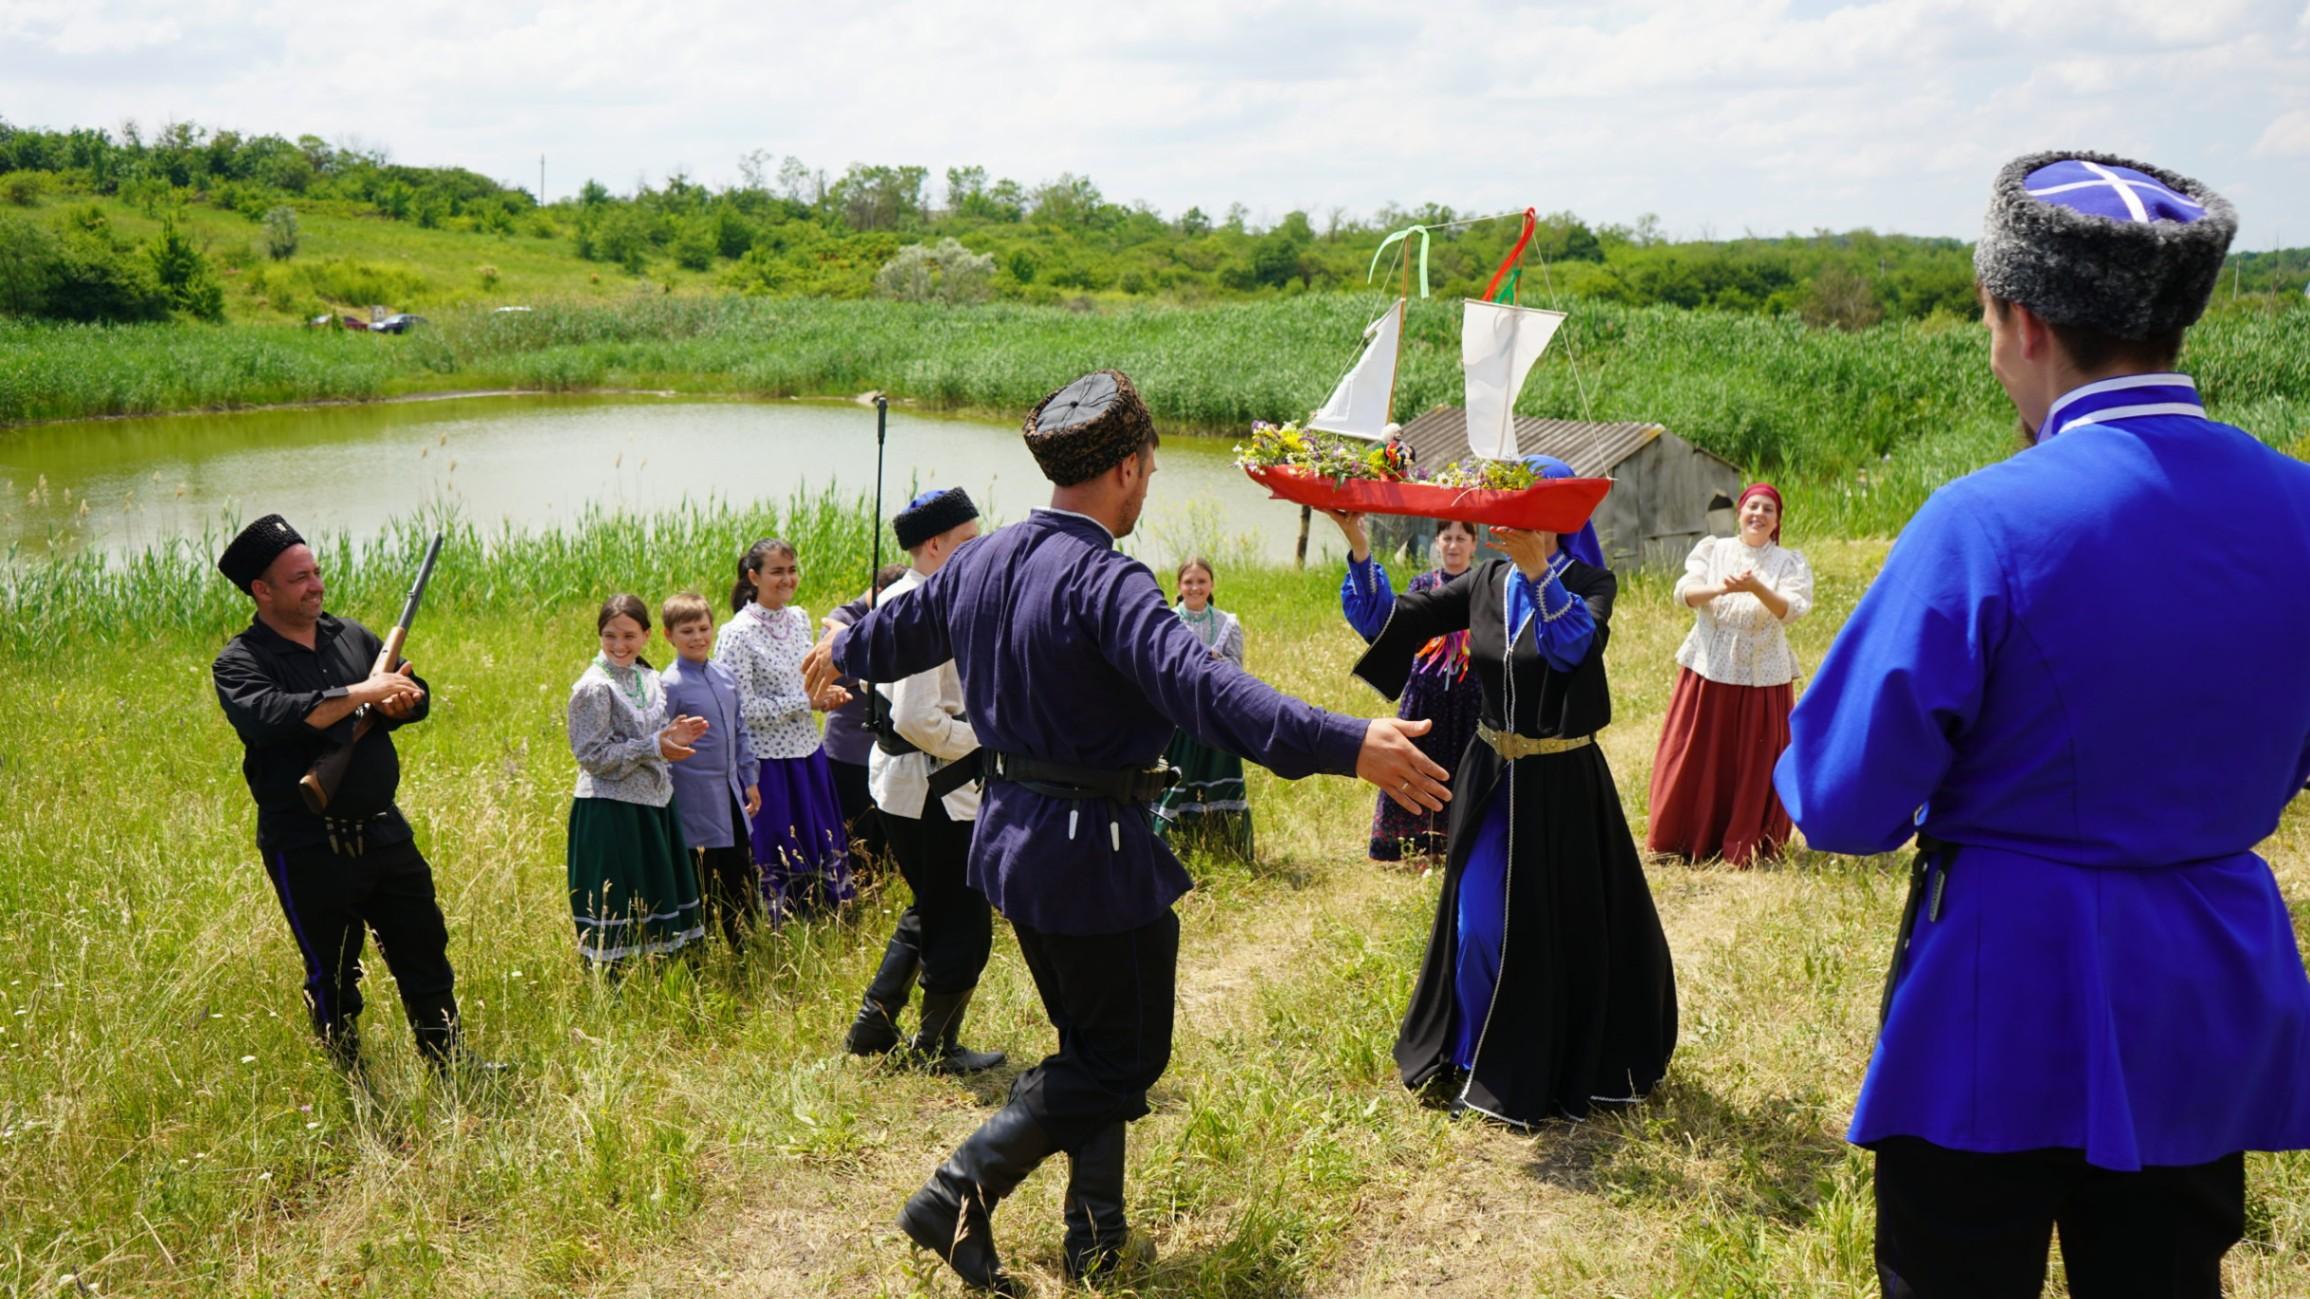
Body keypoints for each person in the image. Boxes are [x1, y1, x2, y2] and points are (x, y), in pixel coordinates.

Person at [1773, 152, 2310, 1298]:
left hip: (2002, 996)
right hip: (2206, 987)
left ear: (2020, 321)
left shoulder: (1985, 519)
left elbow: (1840, 803)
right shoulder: (2300, 506)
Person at [802, 369, 1451, 1293]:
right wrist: (1353, 742)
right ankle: (956, 1193)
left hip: (1012, 843)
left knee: (1086, 1045)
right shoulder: (1107, 580)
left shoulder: (983, 559)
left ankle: (1096, 1236)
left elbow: (897, 628)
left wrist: (841, 645)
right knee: (1123, 1056)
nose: (1149, 485)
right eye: (1147, 468)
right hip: (1086, 852)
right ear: (1120, 471)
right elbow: (1211, 694)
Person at [1352, 461, 1678, 1127]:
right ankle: (1478, 1060)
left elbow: (1572, 649)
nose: (1504, 517)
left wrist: (1539, 571)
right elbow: (1394, 619)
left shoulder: (1591, 582)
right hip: (1490, 776)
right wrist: (1359, 546)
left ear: (1556, 514)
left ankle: (1556, 1061)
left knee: (1562, 931)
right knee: (1478, 928)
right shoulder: (1486, 579)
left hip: (1563, 783)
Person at [210, 515, 487, 1075]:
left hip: (383, 827)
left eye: (315, 571)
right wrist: (364, 690)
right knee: (333, 970)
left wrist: (403, 700)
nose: (315, 584)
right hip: (307, 840)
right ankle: (349, 1072)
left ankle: (449, 1062)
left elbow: (414, 689)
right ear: (262, 590)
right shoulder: (239, 662)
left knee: (423, 947)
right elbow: (273, 717)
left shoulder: (352, 635)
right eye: (298, 578)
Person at [845, 487, 1005, 1073]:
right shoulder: (921, 605)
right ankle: (938, 1047)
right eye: (968, 541)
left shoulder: (901, 595)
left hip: (912, 786)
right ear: (934, 545)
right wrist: (985, 739)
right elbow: (915, 717)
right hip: (934, 790)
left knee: (931, 905)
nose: (979, 550)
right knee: (962, 919)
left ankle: (873, 1026)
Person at [1645, 483, 1813, 865]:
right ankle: (1683, 837)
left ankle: (1747, 842)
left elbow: (1792, 609)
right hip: (1709, 665)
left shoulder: (1789, 562)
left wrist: (1756, 588)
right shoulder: (1713, 550)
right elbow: (1683, 594)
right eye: (1752, 506)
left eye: (1768, 509)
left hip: (1763, 672)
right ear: (1739, 513)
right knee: (1697, 752)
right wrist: (1722, 587)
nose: (1759, 514)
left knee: (1754, 758)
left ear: (1777, 521)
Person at [1331, 513, 1485, 864]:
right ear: (1437, 543)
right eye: (1447, 538)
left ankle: (1458, 849)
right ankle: (1411, 848)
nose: (1454, 545)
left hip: (1470, 700)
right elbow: (1392, 626)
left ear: (1474, 545)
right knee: (1414, 766)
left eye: (1462, 538)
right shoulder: (1422, 585)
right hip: (1424, 698)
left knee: (1464, 770)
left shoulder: (1485, 586)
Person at [566, 594, 709, 969]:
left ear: (646, 635)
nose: (619, 645)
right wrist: (654, 745)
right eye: (610, 635)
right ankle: (617, 983)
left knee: (654, 895)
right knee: (619, 901)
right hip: (610, 810)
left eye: (629, 636)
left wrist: (671, 739)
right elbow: (592, 757)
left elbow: (653, 740)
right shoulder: (594, 687)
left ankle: (665, 974)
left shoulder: (649, 677)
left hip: (655, 805)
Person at [718, 538, 853, 922]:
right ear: (753, 576)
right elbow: (739, 708)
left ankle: (826, 916)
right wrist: (804, 703)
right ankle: (779, 925)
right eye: (777, 571)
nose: (787, 579)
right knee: (777, 843)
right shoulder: (737, 633)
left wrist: (825, 694)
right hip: (766, 760)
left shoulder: (799, 618)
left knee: (817, 836)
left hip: (808, 752)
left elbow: (805, 684)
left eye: (792, 570)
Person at [658, 592, 763, 952]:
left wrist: (750, 779)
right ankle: (700, 948)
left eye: (703, 628)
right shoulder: (669, 684)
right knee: (704, 879)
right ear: (668, 636)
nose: (698, 637)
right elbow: (663, 744)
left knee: (740, 872)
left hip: (731, 795)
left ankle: (745, 944)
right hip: (695, 802)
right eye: (687, 631)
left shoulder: (724, 675)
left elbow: (740, 729)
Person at [1148, 556, 1255, 861]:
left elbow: (1238, 671)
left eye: (1201, 581)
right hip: (1176, 716)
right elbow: (1156, 668)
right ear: (1179, 587)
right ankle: (1166, 842)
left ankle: (1222, 839)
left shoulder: (1227, 623)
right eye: (1189, 582)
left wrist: (1214, 662)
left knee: (1216, 773)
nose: (1195, 587)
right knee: (1174, 777)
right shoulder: (1165, 621)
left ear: (1211, 585)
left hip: (1216, 714)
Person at [821, 563, 909, 875]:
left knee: (887, 836)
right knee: (854, 830)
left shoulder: (897, 614)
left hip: (890, 747)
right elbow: (835, 673)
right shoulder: (842, 620)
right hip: (849, 751)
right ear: (879, 592)